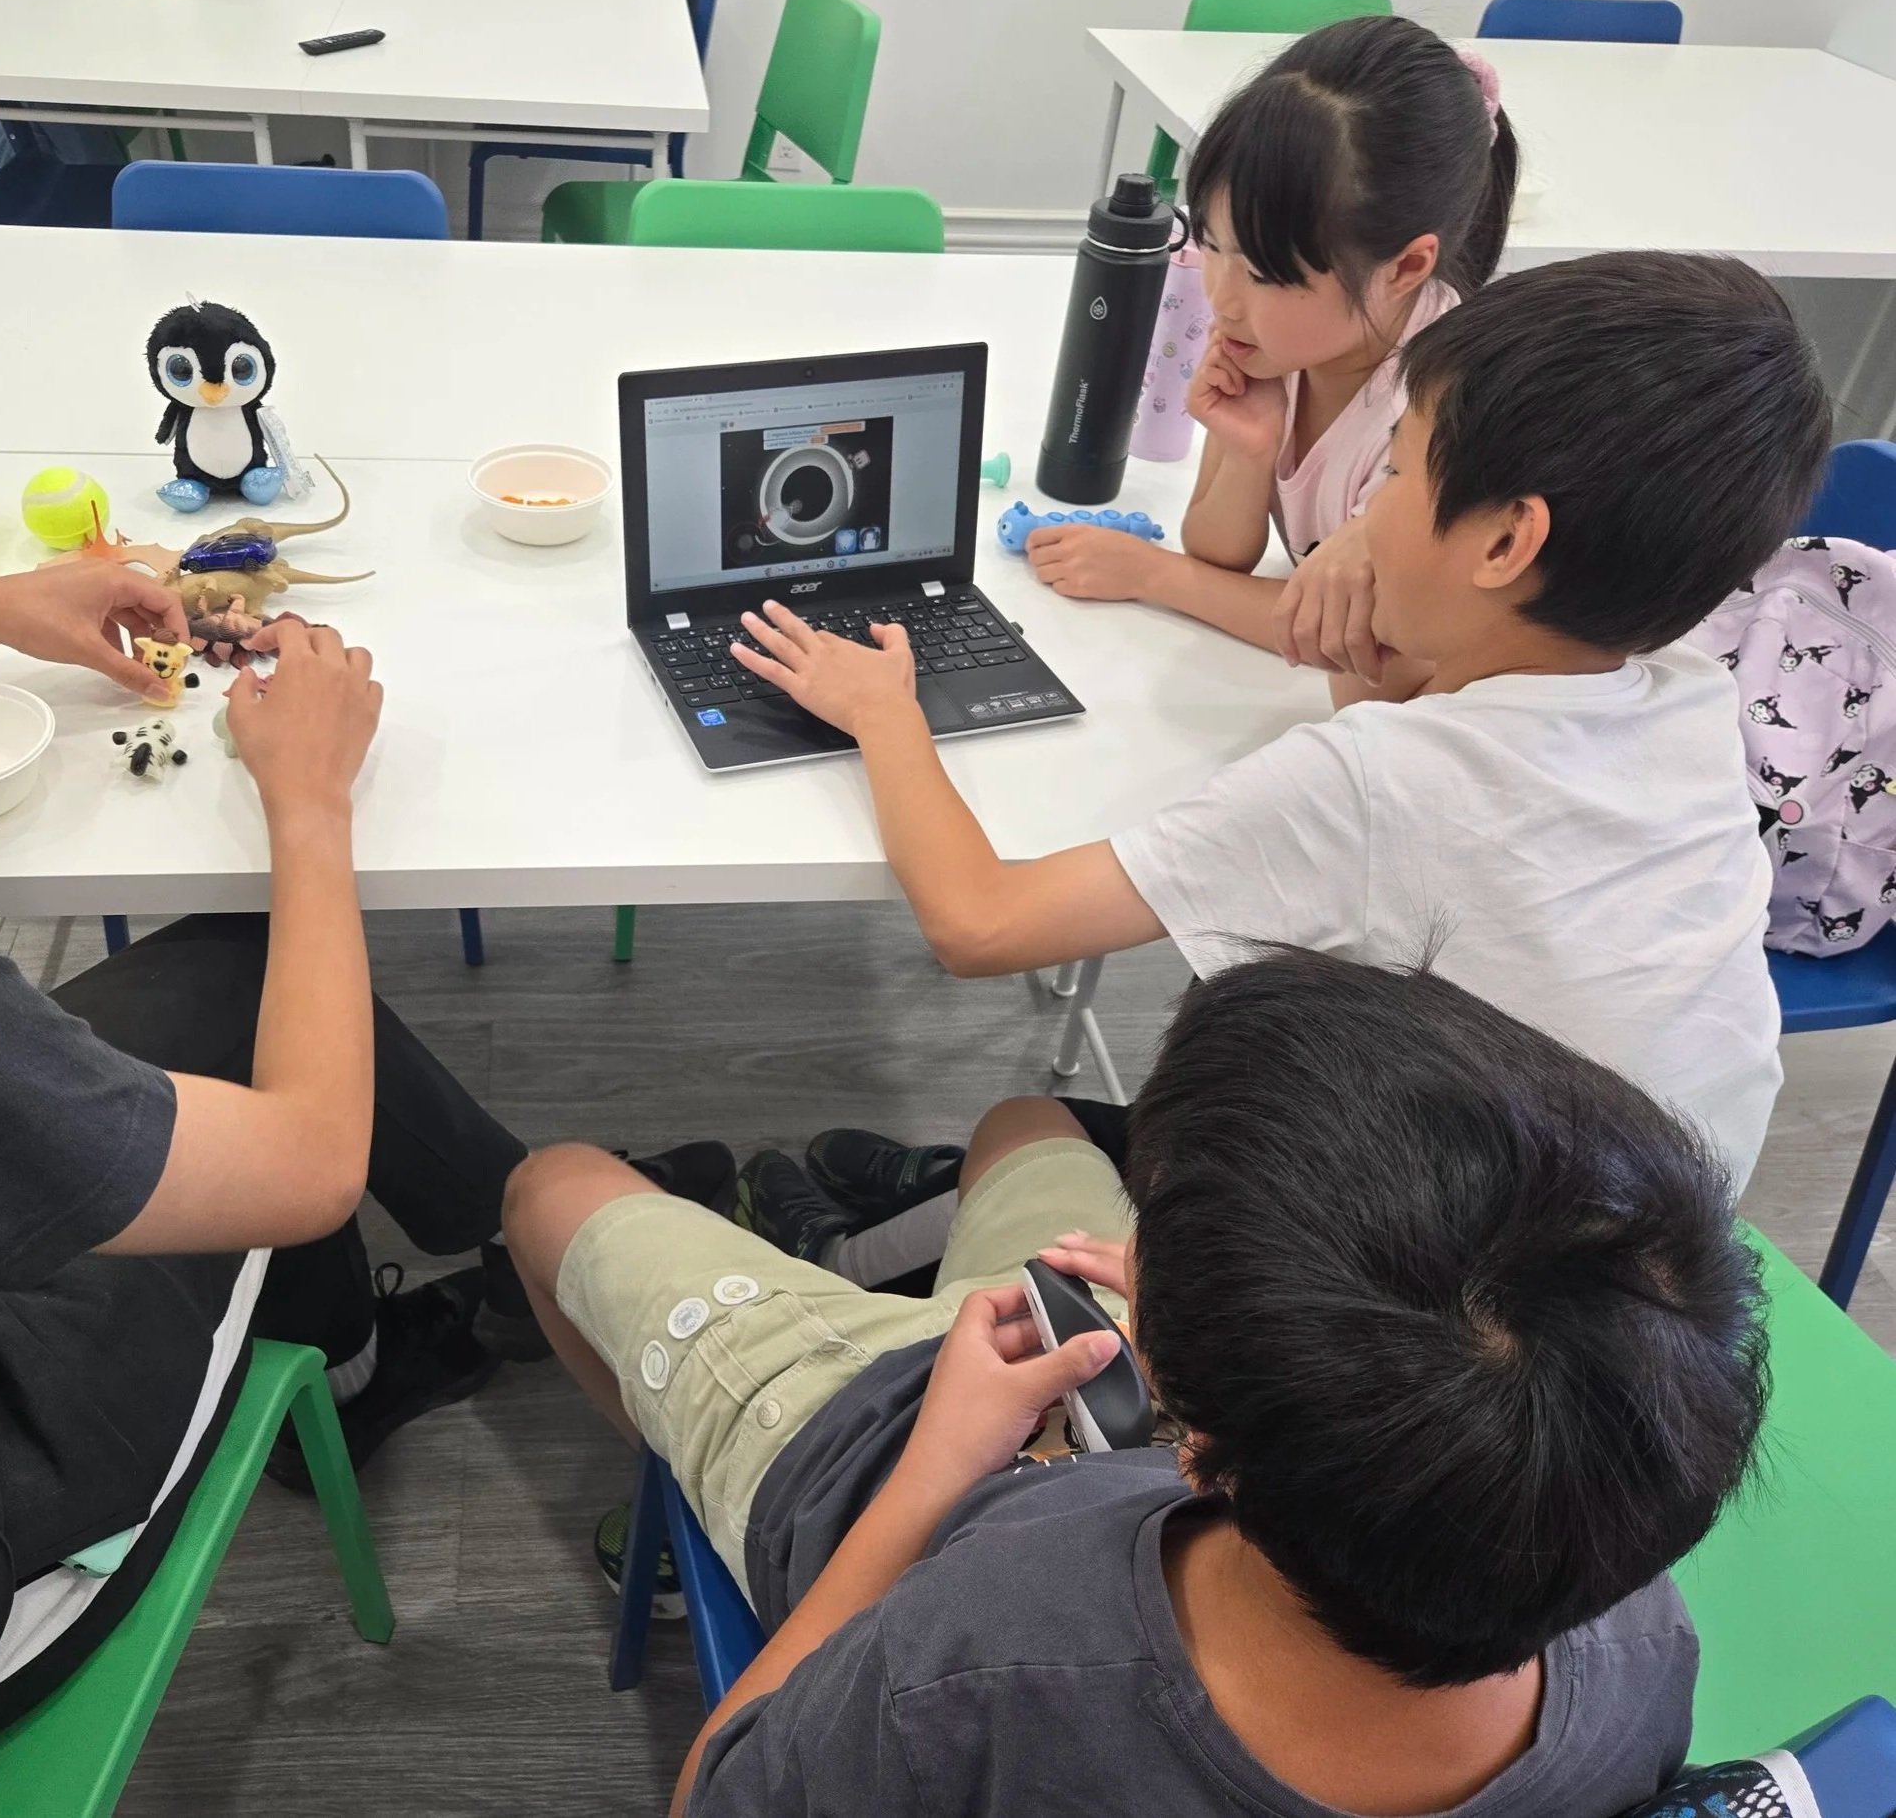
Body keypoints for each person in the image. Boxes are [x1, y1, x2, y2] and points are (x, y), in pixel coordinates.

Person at [0, 182, 722, 1800]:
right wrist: (308, 803)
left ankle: (499, 1229)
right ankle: (472, 1285)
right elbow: (309, 1154)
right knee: (272, 1054)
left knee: (234, 972)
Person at [721, 248, 1826, 1279]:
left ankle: (851, 1256)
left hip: (1402, 1321)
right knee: (1069, 1129)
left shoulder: (1382, 783)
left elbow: (980, 925)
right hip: (1638, 1287)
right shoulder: (1685, 687)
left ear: (1505, 543)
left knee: (1020, 1123)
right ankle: (941, 1202)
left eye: (1393, 473)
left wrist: (884, 715)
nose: (1360, 519)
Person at [508, 948, 1768, 1817]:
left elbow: (721, 1795)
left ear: (1193, 1436)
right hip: (1144, 1422)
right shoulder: (1638, 1631)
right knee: (1029, 1127)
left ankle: (684, 1507)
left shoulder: (990, 1646)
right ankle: (851, 1235)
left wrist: (935, 1471)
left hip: (883, 1460)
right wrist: (1243, 1329)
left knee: (553, 1189)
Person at [1026, 15, 1515, 684]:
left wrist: (1148, 571)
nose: (1223, 297)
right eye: (1213, 245)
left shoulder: (1432, 416)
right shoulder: (1284, 340)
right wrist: (1251, 451)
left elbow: (1360, 641)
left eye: (1264, 273)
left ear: (1404, 268)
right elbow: (1217, 550)